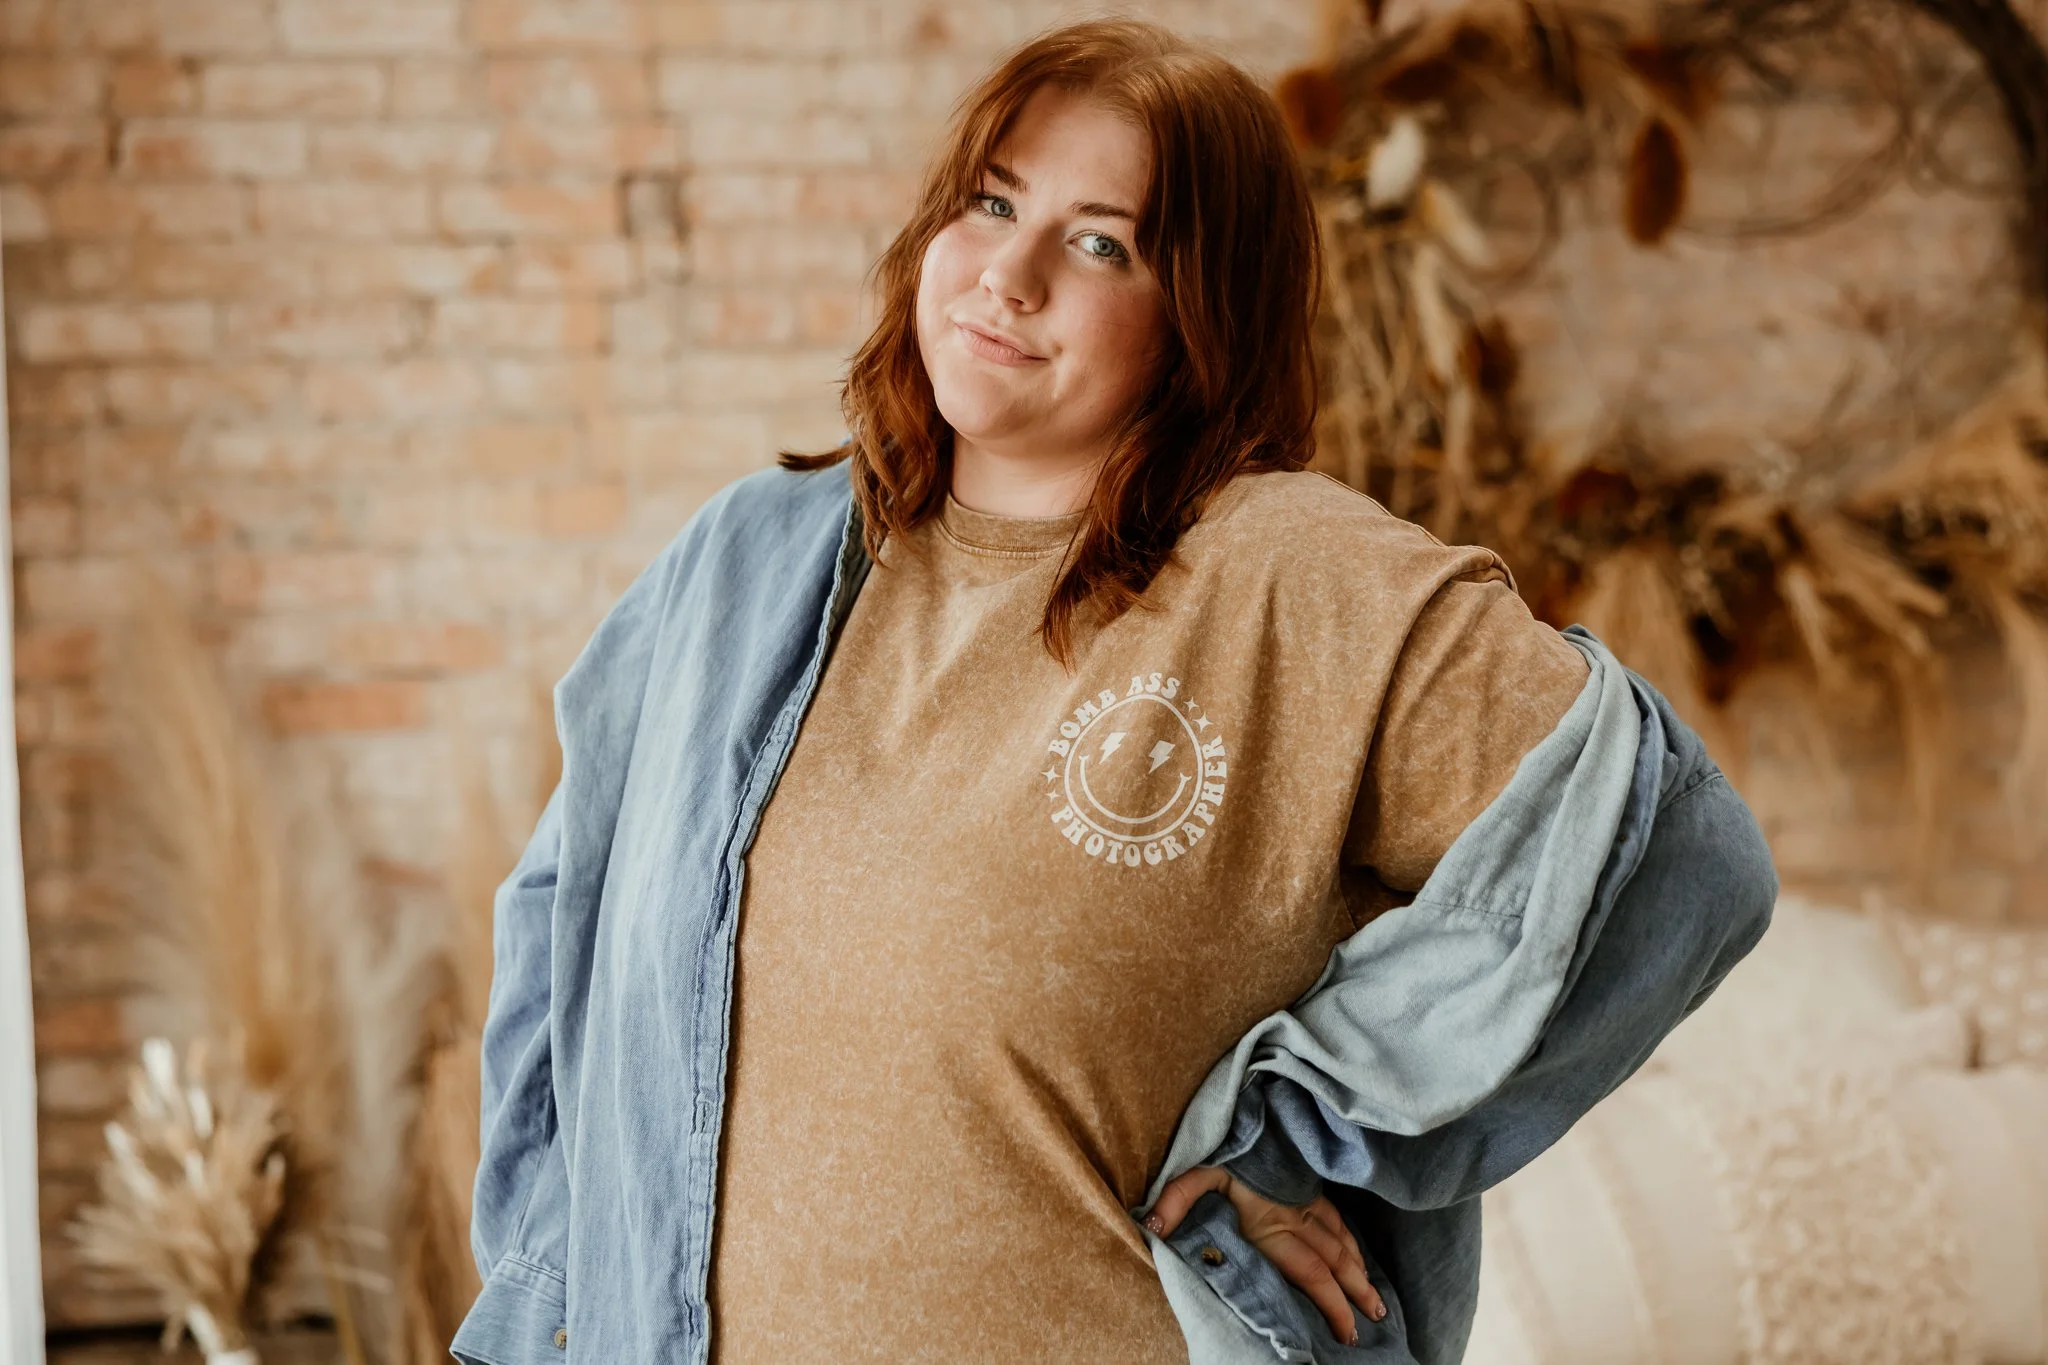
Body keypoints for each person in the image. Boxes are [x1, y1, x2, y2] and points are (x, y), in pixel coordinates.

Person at [454, 19, 1775, 1365]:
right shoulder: (745, 565)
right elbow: (566, 933)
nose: (1009, 275)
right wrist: (543, 1295)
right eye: (991, 202)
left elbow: (1675, 852)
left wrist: (1298, 1132)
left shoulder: (1291, 577)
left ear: (1201, 310)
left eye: (1101, 243)